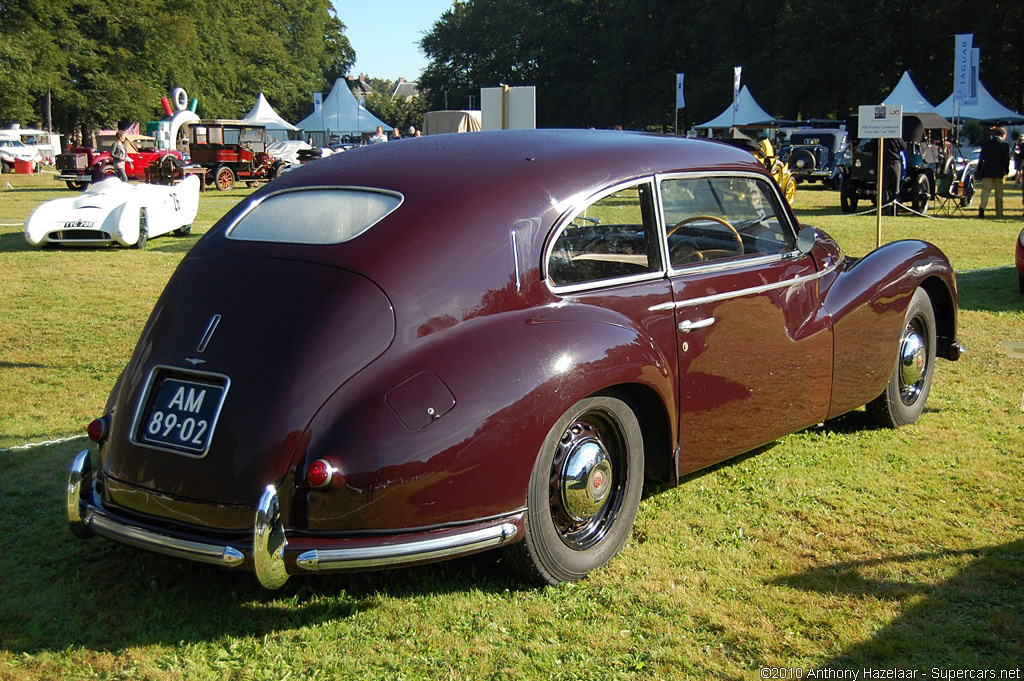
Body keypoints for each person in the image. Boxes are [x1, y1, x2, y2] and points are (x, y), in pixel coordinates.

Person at [976, 127, 1010, 218]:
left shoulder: (986, 144)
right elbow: (1006, 160)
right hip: (999, 172)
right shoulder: (1004, 145)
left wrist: (979, 171)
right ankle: (999, 212)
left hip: (987, 171)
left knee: (986, 190)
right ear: (1003, 135)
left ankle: (982, 207)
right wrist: (1006, 171)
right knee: (999, 193)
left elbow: (981, 159)